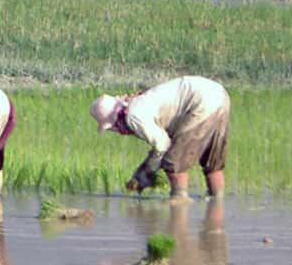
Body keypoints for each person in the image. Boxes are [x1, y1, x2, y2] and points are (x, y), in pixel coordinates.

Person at [90, 75, 229, 198]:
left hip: (201, 102)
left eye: (113, 127)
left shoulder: (133, 115)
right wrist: (146, 168)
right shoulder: (139, 102)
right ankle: (217, 203)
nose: (117, 131)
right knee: (212, 164)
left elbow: (162, 145)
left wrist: (146, 172)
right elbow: (161, 143)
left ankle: (180, 200)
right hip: (219, 94)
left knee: (173, 162)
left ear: (116, 120)